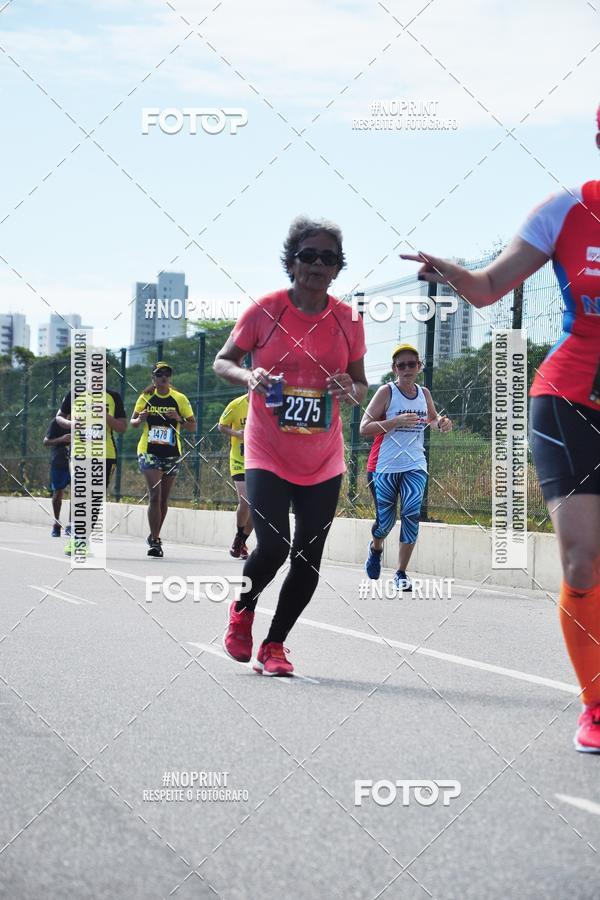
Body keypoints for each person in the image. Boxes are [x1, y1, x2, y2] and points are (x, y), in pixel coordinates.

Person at [401, 104, 600, 752]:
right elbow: (489, 288)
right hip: (572, 399)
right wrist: (454, 270)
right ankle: (596, 706)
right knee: (583, 556)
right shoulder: (566, 210)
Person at [214, 216, 367, 676]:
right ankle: (243, 610)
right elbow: (224, 361)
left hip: (323, 457)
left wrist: (349, 387)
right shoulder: (265, 310)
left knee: (308, 556)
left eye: (328, 258)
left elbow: (360, 383)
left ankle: (275, 644)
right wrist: (249, 375)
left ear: (338, 268)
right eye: (308, 255)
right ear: (292, 261)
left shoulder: (349, 319)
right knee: (274, 545)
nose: (318, 264)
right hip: (267, 451)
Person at [360, 344, 452, 590]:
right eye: (402, 365)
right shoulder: (386, 392)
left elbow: (431, 419)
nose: (407, 369)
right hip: (383, 467)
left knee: (411, 514)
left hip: (415, 464)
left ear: (419, 367)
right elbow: (364, 428)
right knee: (385, 523)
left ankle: (401, 573)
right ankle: (376, 547)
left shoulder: (424, 393)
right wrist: (394, 422)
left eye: (412, 364)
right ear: (394, 369)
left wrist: (441, 423)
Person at [131, 362, 196, 558]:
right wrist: (140, 418)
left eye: (167, 374)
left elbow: (193, 426)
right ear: (153, 378)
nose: (163, 377)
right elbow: (132, 423)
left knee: (163, 499)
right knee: (155, 495)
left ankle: (153, 535)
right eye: (159, 374)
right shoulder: (146, 397)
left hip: (171, 452)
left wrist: (179, 419)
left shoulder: (179, 398)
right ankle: (157, 542)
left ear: (170, 378)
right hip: (149, 451)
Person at [56, 381, 127, 555]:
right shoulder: (74, 394)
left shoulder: (113, 396)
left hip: (105, 455)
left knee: (94, 498)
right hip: (80, 453)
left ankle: (82, 539)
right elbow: (59, 417)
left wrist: (106, 416)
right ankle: (76, 539)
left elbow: (122, 427)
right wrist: (71, 424)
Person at [218, 391, 253, 559]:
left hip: (260, 461)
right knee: (245, 501)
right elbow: (221, 425)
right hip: (240, 460)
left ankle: (241, 540)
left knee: (258, 508)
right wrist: (237, 434)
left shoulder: (270, 404)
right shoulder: (236, 405)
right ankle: (240, 536)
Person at [43, 416, 71, 537]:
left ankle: (72, 525)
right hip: (59, 461)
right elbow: (46, 441)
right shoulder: (57, 422)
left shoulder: (83, 420)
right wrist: (62, 439)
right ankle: (57, 522)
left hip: (77, 461)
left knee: (78, 493)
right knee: (58, 492)